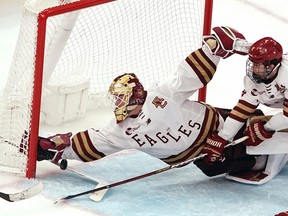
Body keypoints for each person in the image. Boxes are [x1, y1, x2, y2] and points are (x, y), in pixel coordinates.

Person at [37, 26, 262, 179]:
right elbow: (93, 144)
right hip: (203, 155)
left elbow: (188, 75)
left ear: (134, 95)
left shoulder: (161, 95)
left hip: (220, 126)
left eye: (121, 98)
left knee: (261, 128)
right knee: (255, 164)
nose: (117, 103)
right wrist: (56, 148)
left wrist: (212, 49)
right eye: (115, 98)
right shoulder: (121, 130)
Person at [200, 36, 288, 184]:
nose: (253, 68)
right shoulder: (252, 81)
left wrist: (266, 128)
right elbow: (242, 110)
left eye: (258, 65)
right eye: (252, 63)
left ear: (273, 65)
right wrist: (223, 137)